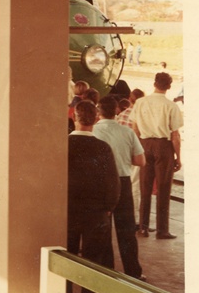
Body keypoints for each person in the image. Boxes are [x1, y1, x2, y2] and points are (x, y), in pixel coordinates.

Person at [93, 96, 145, 280]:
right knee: (126, 230)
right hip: (122, 181)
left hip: (100, 185)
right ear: (116, 111)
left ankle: (107, 270)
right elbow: (140, 161)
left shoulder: (93, 131)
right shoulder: (127, 132)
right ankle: (133, 271)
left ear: (98, 112)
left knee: (103, 229)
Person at [68, 101, 120, 274]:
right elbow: (113, 182)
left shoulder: (63, 144)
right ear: (96, 119)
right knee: (94, 261)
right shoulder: (103, 148)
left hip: (67, 210)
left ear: (74, 117)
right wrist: (109, 208)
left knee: (65, 257)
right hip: (96, 212)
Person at [131, 72, 183, 239]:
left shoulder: (140, 102)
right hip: (163, 146)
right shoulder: (171, 106)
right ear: (168, 87)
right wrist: (178, 157)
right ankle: (162, 230)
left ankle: (143, 228)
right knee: (163, 187)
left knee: (145, 187)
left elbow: (135, 129)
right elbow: (175, 136)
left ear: (154, 83)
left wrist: (138, 148)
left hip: (144, 145)